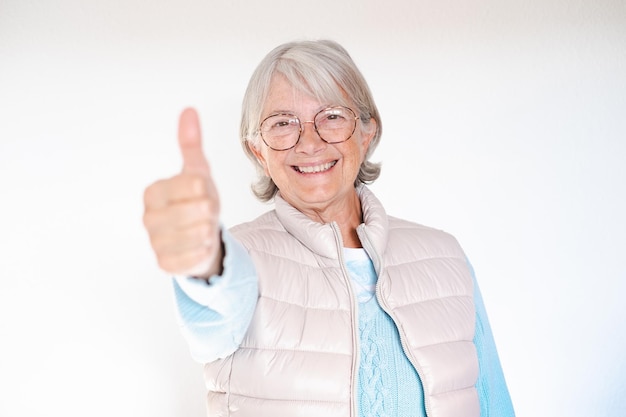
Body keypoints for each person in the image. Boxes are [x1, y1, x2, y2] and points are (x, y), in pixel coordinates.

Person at [143, 40, 515, 417]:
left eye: (333, 116)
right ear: (259, 150)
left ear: (367, 131)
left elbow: (493, 403)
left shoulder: (444, 256)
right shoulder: (240, 257)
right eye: (283, 123)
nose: (310, 142)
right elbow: (214, 305)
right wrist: (205, 257)